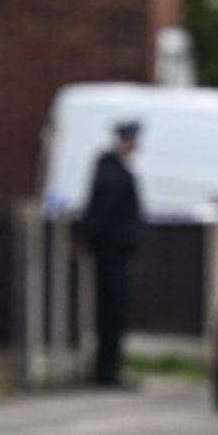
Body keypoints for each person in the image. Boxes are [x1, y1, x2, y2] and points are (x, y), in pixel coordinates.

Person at [80, 120, 144, 389]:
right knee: (111, 313)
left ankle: (109, 368)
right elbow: (101, 213)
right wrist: (86, 237)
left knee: (113, 314)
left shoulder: (112, 170)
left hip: (115, 253)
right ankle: (107, 371)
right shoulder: (113, 174)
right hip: (111, 254)